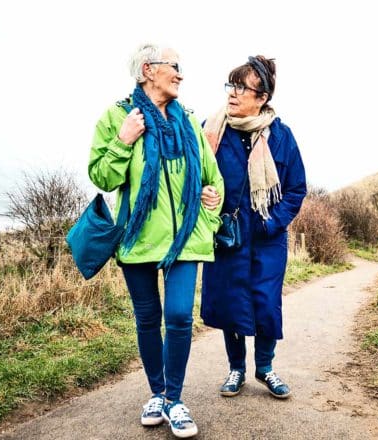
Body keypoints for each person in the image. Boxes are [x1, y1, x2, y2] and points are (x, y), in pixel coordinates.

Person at [88, 43, 223, 438]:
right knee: (148, 319)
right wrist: (124, 140)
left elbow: (213, 180)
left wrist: (210, 208)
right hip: (139, 240)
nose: (180, 75)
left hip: (185, 241)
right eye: (174, 67)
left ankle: (174, 400)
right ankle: (158, 392)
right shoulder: (117, 117)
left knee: (179, 317)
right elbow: (103, 177)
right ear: (148, 70)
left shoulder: (189, 123)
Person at [200, 55, 307, 400]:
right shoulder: (211, 130)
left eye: (242, 87)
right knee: (231, 304)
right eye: (231, 85)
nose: (233, 93)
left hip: (267, 239)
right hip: (227, 236)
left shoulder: (282, 137)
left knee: (265, 302)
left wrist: (273, 223)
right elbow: (197, 178)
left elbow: (296, 189)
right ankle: (236, 370)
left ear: (262, 97)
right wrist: (206, 200)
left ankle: (265, 367)